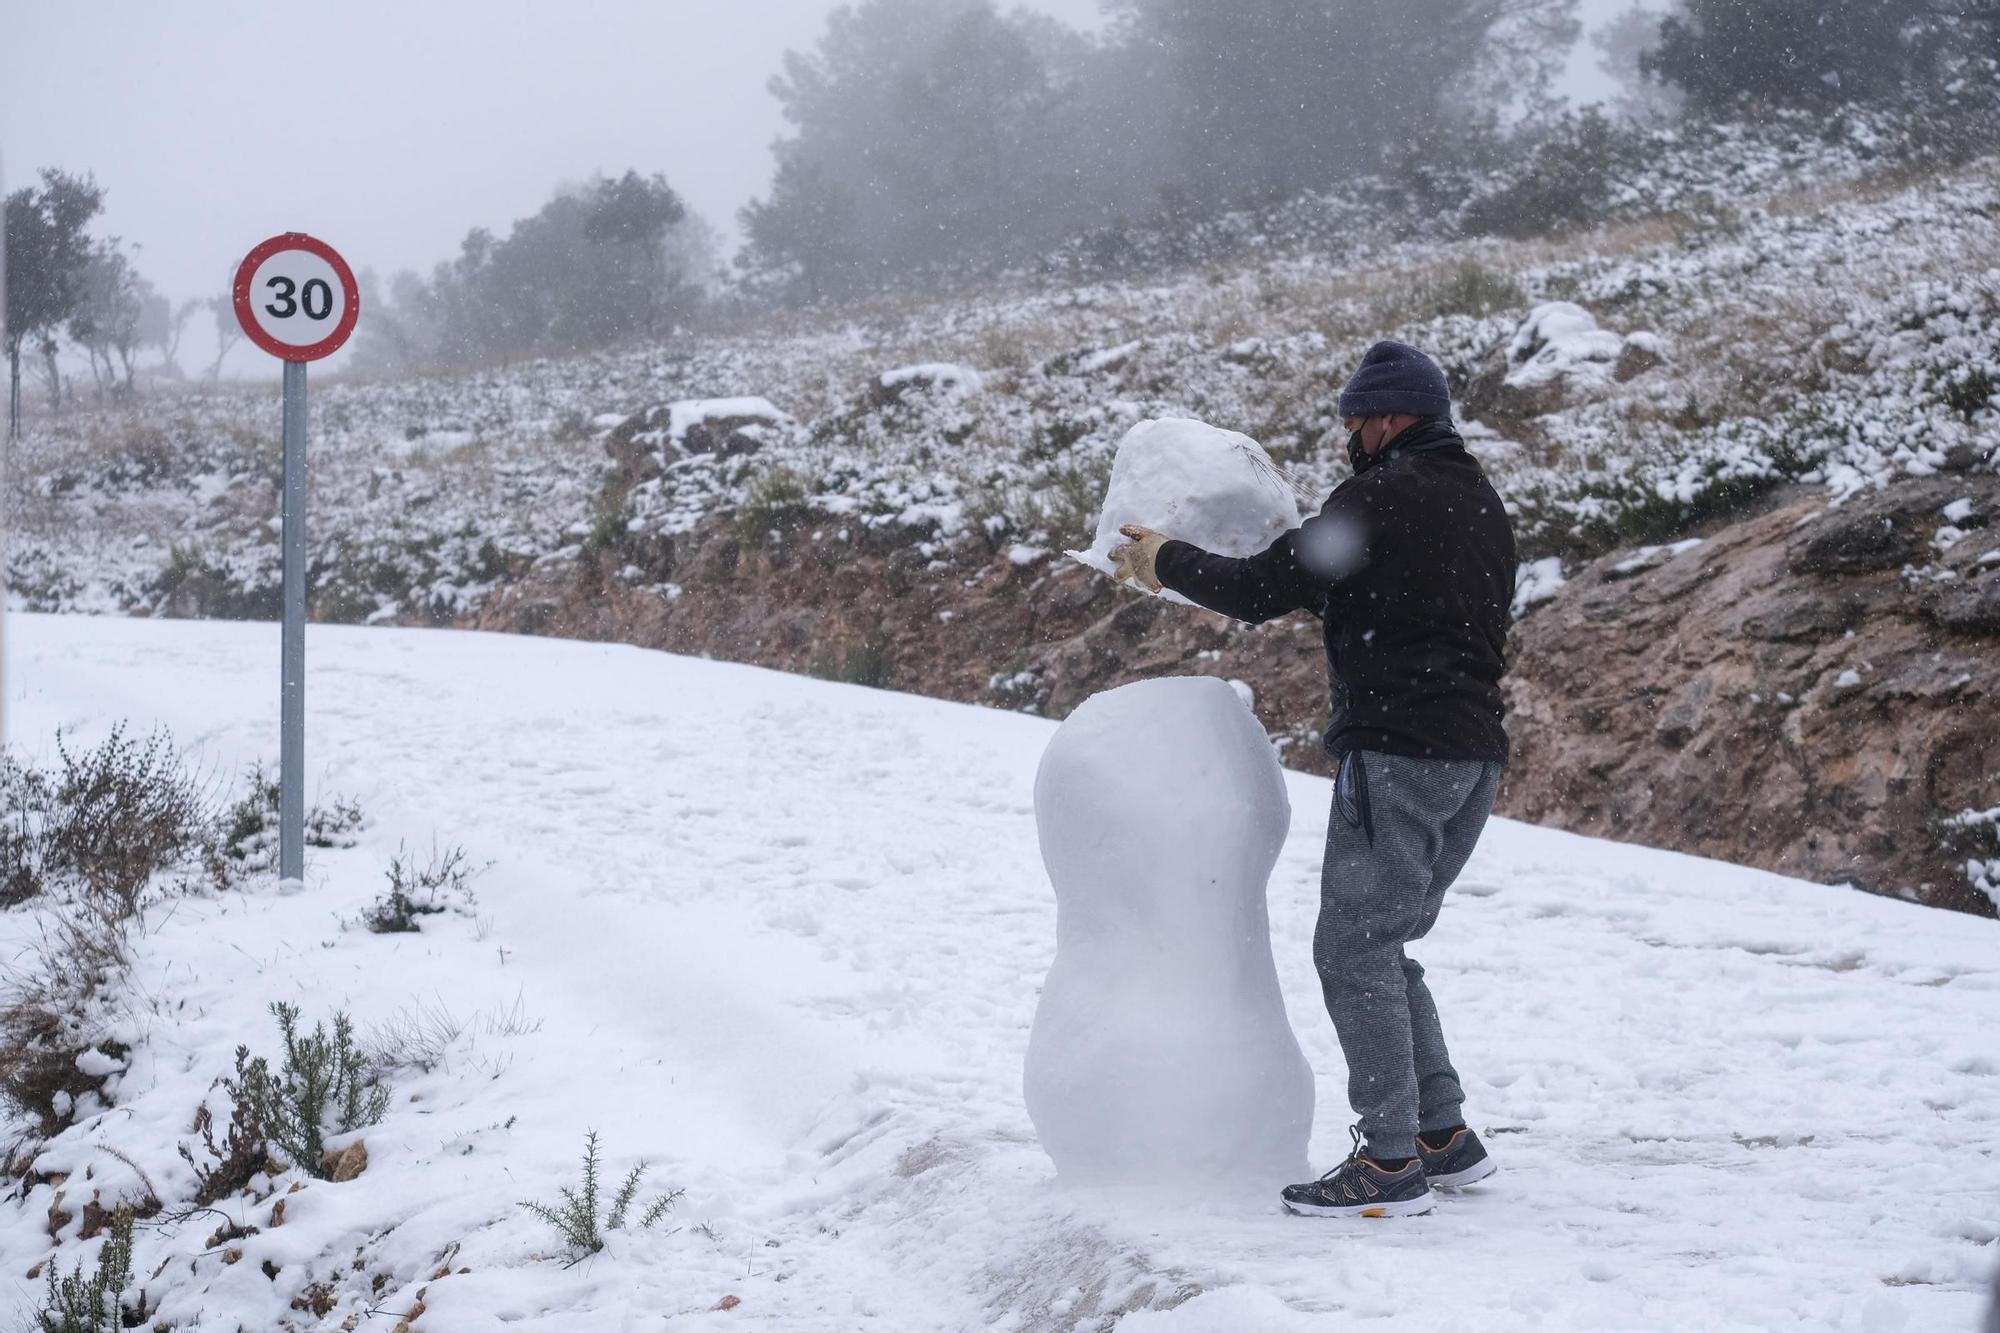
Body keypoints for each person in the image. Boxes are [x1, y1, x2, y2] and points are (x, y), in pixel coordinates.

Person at [1108, 340, 1516, 1220]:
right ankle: (1442, 1133)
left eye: (1356, 420)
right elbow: (1401, 601)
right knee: (1387, 939)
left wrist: (1164, 560)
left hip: (1398, 756)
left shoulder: (1379, 497)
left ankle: (1389, 1159)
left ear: (1390, 417)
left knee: (1352, 947)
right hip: (1472, 758)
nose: (1350, 436)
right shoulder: (1478, 504)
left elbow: (1264, 588)